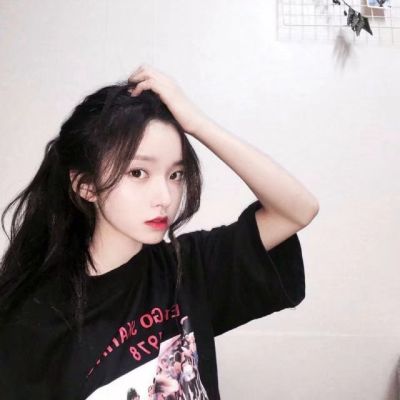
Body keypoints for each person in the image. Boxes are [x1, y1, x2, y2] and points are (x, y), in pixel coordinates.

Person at [0, 64, 319, 399]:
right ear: (86, 186)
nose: (165, 197)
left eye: (175, 175)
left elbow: (298, 210)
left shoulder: (189, 267)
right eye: (138, 173)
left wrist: (196, 124)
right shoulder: (34, 319)